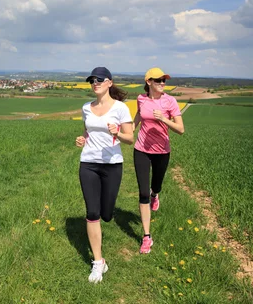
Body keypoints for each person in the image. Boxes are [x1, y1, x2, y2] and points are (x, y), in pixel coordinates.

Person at [75, 66, 134, 283]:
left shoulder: (120, 108)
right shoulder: (86, 108)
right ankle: (98, 263)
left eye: (100, 79)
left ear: (109, 82)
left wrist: (117, 132)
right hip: (88, 163)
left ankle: (105, 216)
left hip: (112, 165)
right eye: (92, 80)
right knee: (92, 212)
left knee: (106, 214)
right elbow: (87, 131)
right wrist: (82, 139)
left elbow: (130, 138)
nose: (95, 82)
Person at [133, 67, 184, 254]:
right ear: (149, 82)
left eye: (164, 80)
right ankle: (147, 236)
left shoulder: (170, 101)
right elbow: (139, 115)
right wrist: (130, 129)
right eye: (158, 80)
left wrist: (164, 119)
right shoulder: (141, 99)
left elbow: (181, 129)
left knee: (156, 185)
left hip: (162, 151)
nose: (162, 83)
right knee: (143, 192)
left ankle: (156, 194)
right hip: (141, 150)